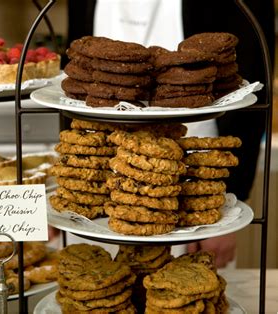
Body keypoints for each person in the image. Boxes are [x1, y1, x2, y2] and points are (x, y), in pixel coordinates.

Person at [65, 0, 275, 267]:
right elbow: (72, 76)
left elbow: (254, 82)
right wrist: (68, 192)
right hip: (94, 174)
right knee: (93, 284)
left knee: (189, 293)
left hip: (194, 175)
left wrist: (225, 207)